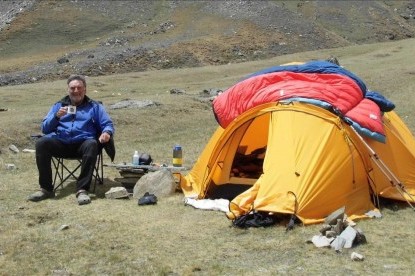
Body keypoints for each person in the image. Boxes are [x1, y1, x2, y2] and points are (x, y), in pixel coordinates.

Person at [28, 75, 115, 205]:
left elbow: (107, 123)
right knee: (42, 143)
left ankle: (82, 190)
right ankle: (46, 189)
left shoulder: (94, 107)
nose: (76, 91)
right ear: (68, 90)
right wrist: (56, 117)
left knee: (92, 143)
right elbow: (45, 128)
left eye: (79, 88)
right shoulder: (59, 105)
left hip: (83, 144)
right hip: (62, 143)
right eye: (72, 88)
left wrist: (107, 133)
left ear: (85, 89)